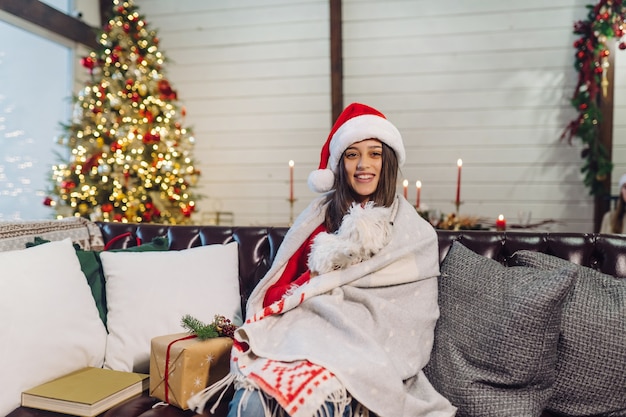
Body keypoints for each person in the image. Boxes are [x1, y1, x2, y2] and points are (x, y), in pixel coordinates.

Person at [189, 103, 456, 417]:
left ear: (389, 161)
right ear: (340, 165)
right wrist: (314, 288)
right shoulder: (318, 219)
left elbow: (413, 315)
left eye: (374, 153)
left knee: (312, 403)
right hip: (305, 338)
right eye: (352, 154)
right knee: (252, 403)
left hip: (367, 353)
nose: (363, 165)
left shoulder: (415, 234)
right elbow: (281, 291)